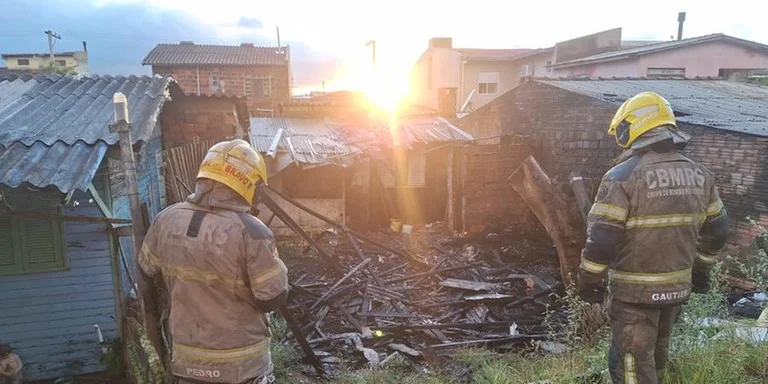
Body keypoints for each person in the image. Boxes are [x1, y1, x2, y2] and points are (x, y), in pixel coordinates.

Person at [578, 92, 728, 384]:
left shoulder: (622, 176)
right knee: (657, 355)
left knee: (631, 364)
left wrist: (589, 281)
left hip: (635, 294)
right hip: (676, 290)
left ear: (634, 126)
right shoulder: (701, 174)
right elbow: (719, 231)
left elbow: (602, 238)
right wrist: (700, 272)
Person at [139, 139, 288, 384]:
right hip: (241, 368)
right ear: (248, 183)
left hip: (186, 363)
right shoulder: (251, 232)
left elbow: (147, 272)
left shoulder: (165, 219)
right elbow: (272, 297)